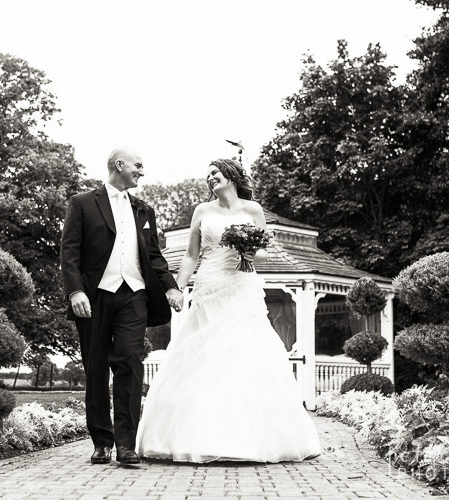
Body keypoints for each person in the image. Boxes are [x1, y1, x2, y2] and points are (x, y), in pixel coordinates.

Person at [136, 158, 321, 463]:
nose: (210, 179)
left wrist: (250, 251)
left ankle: (252, 438)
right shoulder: (202, 212)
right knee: (202, 354)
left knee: (246, 354)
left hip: (242, 288)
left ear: (232, 176)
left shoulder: (253, 210)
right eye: (207, 175)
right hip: (209, 285)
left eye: (215, 173)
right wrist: (178, 287)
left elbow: (263, 252)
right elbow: (191, 255)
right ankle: (193, 435)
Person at [60, 147, 183, 465]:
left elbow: (154, 255)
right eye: (138, 166)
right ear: (119, 165)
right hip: (95, 296)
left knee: (130, 360)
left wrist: (170, 286)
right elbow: (69, 251)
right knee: (96, 368)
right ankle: (102, 442)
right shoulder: (83, 203)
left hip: (134, 295)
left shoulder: (144, 210)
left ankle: (126, 444)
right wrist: (76, 292)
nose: (142, 171)